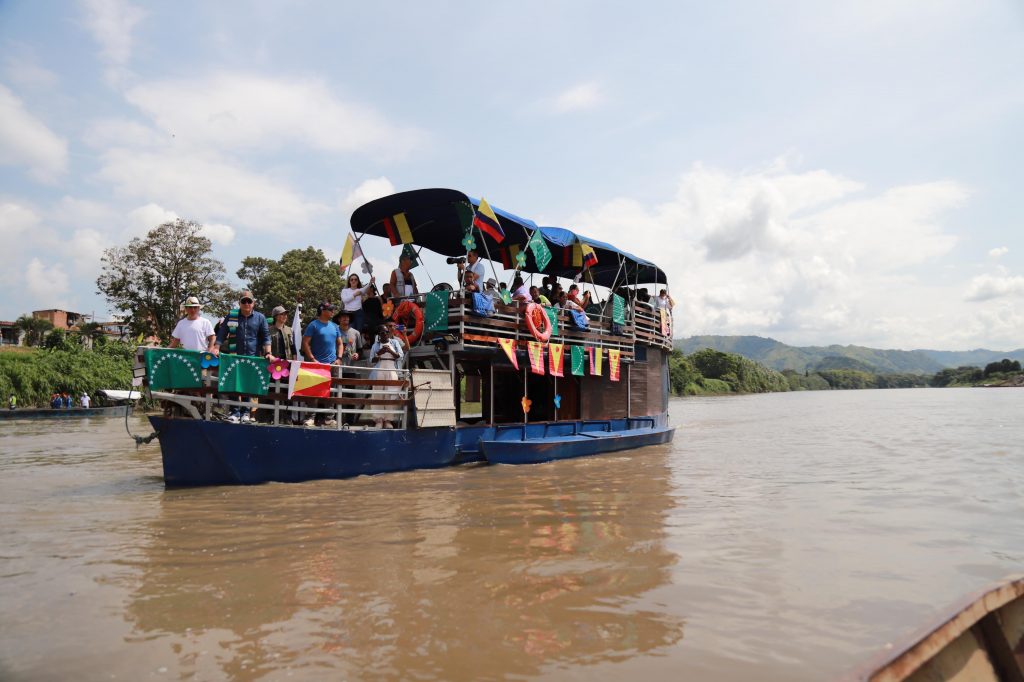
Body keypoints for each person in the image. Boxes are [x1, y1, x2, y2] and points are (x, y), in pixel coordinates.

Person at [211, 290, 272, 424]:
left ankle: (245, 412)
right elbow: (222, 333)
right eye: (243, 301)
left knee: (247, 385)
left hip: (252, 358)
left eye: (249, 301)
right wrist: (216, 348)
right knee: (234, 383)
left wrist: (268, 353)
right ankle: (234, 412)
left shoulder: (260, 318)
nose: (246, 304)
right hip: (234, 356)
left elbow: (266, 337)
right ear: (239, 303)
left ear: (253, 303)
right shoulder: (232, 316)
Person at [301, 302, 343, 427]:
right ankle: (310, 418)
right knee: (313, 391)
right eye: (330, 309)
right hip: (316, 364)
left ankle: (329, 418)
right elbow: (305, 342)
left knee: (331, 391)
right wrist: (312, 359)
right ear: (322, 310)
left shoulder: (335, 326)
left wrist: (339, 358)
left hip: (332, 364)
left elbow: (340, 343)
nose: (332, 311)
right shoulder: (313, 325)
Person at [369, 324, 404, 429]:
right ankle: (378, 419)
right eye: (382, 333)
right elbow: (371, 360)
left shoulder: (395, 342)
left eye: (386, 332)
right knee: (378, 394)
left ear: (389, 333)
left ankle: (388, 419)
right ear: (379, 335)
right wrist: (380, 353)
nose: (384, 334)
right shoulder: (375, 345)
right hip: (379, 368)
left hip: (392, 367)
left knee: (391, 394)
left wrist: (390, 351)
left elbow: (400, 356)